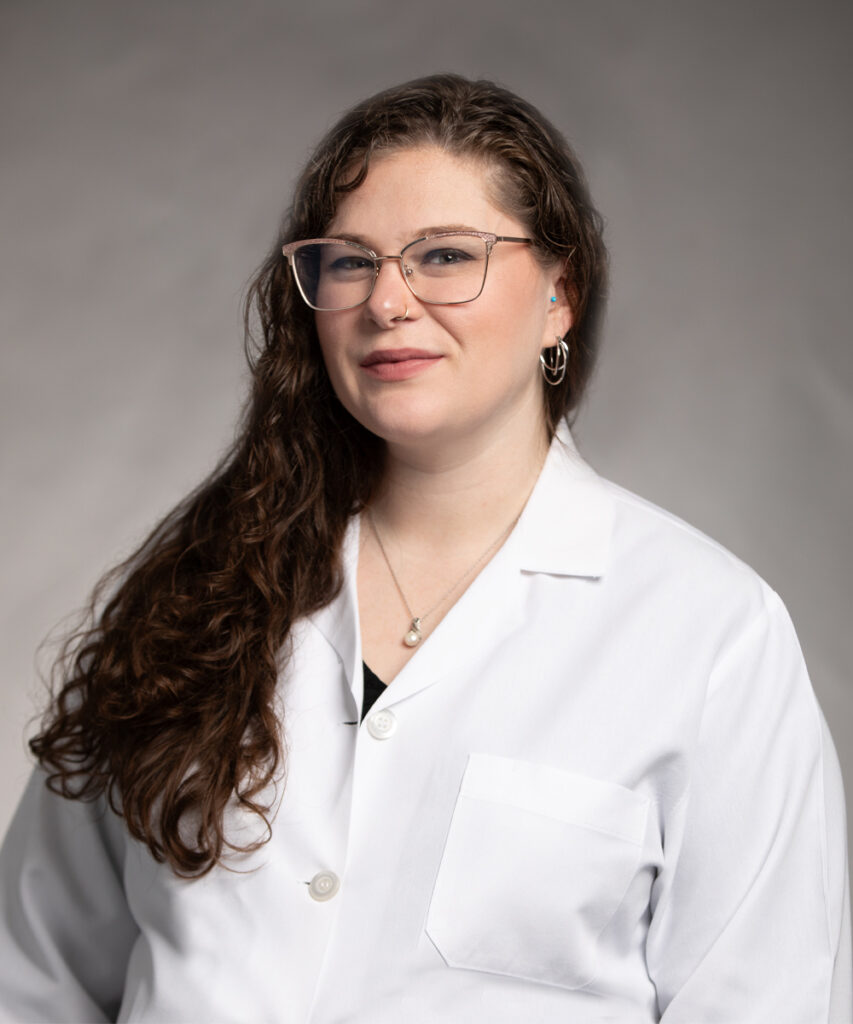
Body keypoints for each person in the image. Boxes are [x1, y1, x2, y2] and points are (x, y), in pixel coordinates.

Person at [0, 74, 849, 1023]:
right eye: (349, 263)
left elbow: (763, 1001)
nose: (387, 301)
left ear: (559, 296)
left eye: (445, 255)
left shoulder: (708, 635)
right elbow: (33, 978)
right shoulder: (189, 601)